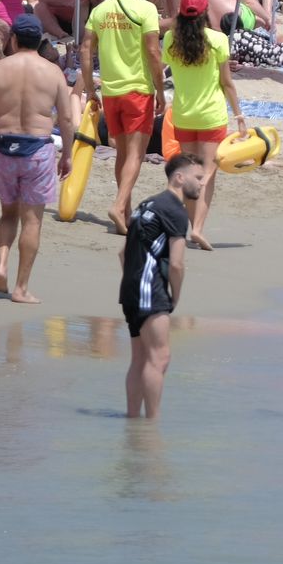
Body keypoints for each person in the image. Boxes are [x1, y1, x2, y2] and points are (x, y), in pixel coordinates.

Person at [0, 14, 78, 303]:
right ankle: (20, 288)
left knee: (8, 213)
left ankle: (1, 264)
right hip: (37, 148)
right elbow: (67, 117)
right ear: (40, 41)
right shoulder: (53, 72)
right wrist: (67, 154)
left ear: (14, 40)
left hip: (4, 145)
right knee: (32, 221)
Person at [81, 0, 167, 235]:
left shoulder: (102, 8)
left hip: (110, 91)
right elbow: (154, 53)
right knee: (136, 155)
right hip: (137, 90)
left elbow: (85, 50)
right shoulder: (147, 9)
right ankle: (119, 206)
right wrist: (160, 89)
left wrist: (89, 88)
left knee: (122, 154)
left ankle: (126, 213)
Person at [122, 152, 205, 419]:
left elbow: (123, 254)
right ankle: (151, 425)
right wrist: (175, 297)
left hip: (131, 290)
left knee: (140, 358)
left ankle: (133, 420)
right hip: (151, 290)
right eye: (198, 178)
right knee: (159, 357)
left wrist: (134, 280)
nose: (202, 184)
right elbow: (178, 264)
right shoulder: (175, 211)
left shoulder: (146, 204)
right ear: (179, 178)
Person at [163, 0, 243, 251]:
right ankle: (197, 228)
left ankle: (189, 225)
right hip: (211, 116)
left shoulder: (170, 40)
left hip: (184, 115)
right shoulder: (218, 40)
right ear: (205, 12)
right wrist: (240, 115)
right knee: (208, 172)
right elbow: (227, 83)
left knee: (189, 172)